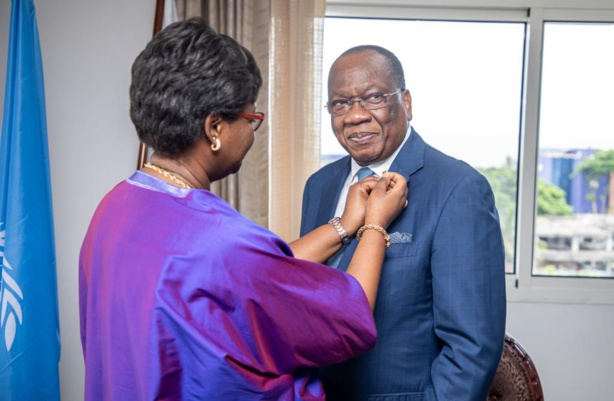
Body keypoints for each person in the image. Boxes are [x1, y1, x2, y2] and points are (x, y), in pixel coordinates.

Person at [79, 19, 408, 401]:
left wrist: (343, 225)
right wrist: (374, 224)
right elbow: (349, 321)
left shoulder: (115, 207)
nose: (253, 133)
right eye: (252, 119)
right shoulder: (220, 241)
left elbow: (251, 279)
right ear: (215, 127)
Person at [300, 44, 507, 400]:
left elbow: (471, 349)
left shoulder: (458, 188)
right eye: (340, 103)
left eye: (373, 97)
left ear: (406, 102)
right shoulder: (319, 185)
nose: (355, 115)